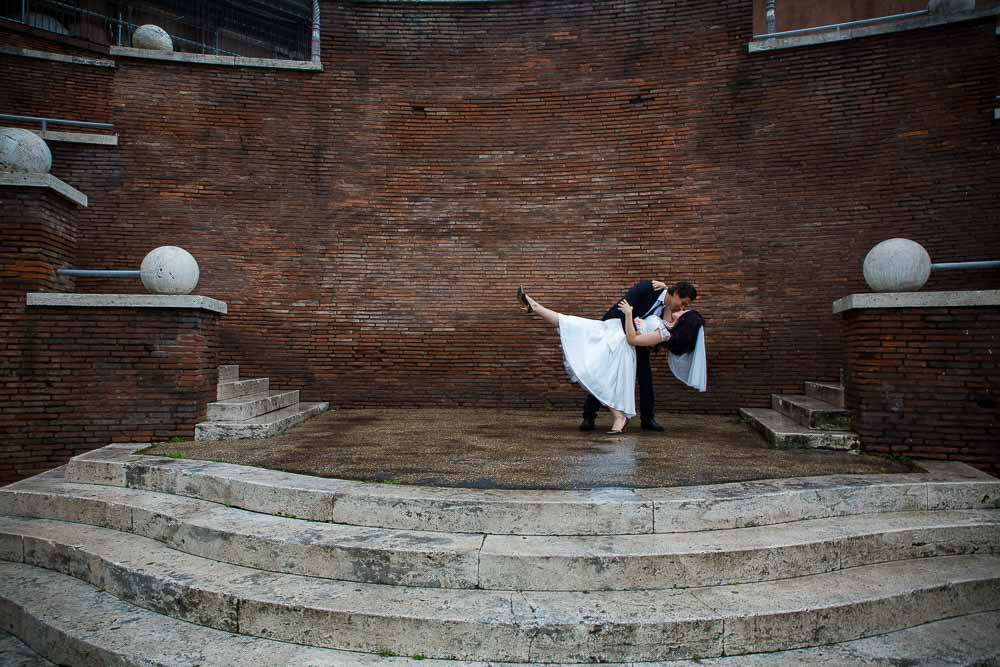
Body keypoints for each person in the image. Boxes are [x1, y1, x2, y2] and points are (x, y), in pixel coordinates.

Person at [516, 285, 684, 434]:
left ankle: (646, 419)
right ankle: (590, 416)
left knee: (643, 380)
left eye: (685, 307)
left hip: (637, 343)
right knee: (582, 340)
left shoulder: (670, 318)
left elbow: (662, 327)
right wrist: (611, 332)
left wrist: (642, 331)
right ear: (675, 294)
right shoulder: (649, 289)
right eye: (683, 302)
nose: (682, 307)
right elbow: (620, 310)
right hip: (618, 334)